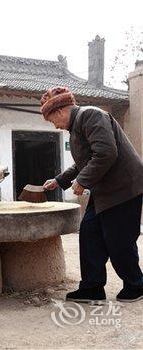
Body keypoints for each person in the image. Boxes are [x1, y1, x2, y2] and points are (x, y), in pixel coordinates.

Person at [41, 86, 143, 303]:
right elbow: (84, 162)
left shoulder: (91, 115)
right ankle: (92, 287)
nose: (56, 126)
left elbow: (106, 152)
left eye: (52, 121)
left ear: (59, 111)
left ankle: (136, 285)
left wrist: (82, 181)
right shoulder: (77, 126)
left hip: (124, 188)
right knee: (89, 235)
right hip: (105, 190)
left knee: (119, 239)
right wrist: (60, 180)